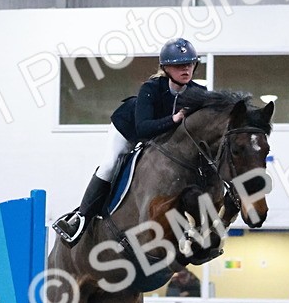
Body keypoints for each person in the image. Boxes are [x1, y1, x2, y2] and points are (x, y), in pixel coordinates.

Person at [52, 37, 205, 245]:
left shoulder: (200, 93)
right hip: (129, 131)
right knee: (109, 166)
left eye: (189, 64)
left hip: (164, 141)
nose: (185, 69)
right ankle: (80, 218)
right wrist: (175, 118)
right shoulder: (150, 88)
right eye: (179, 66)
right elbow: (143, 129)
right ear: (166, 68)